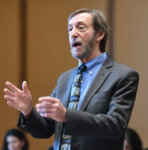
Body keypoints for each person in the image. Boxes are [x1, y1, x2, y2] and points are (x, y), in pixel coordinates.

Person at [4, 8, 139, 150]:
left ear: (99, 34)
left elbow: (115, 126)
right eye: (70, 29)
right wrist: (27, 111)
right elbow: (45, 129)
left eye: (81, 27)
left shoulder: (122, 75)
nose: (73, 33)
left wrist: (67, 116)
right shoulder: (65, 78)